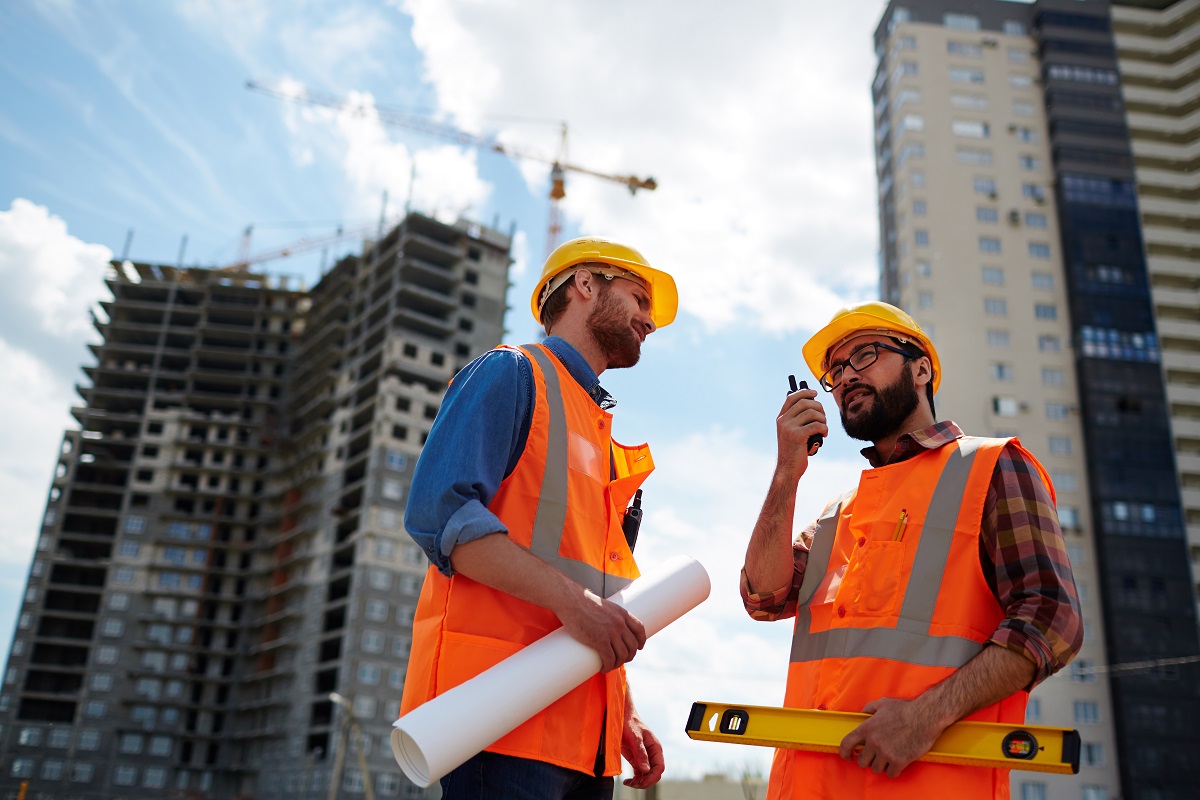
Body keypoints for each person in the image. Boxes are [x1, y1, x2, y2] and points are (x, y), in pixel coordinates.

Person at [742, 301, 1083, 799]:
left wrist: (926, 717)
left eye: (865, 355)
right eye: (836, 371)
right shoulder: (840, 513)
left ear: (921, 368)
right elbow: (762, 596)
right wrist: (786, 473)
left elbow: (1053, 620)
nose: (846, 378)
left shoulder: (991, 467)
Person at [400, 237, 678, 799]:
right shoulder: (512, 374)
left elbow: (601, 596)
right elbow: (441, 516)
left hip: (586, 740)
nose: (649, 321)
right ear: (584, 285)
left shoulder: (598, 433)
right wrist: (576, 606)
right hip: (500, 721)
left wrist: (622, 709)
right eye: (637, 298)